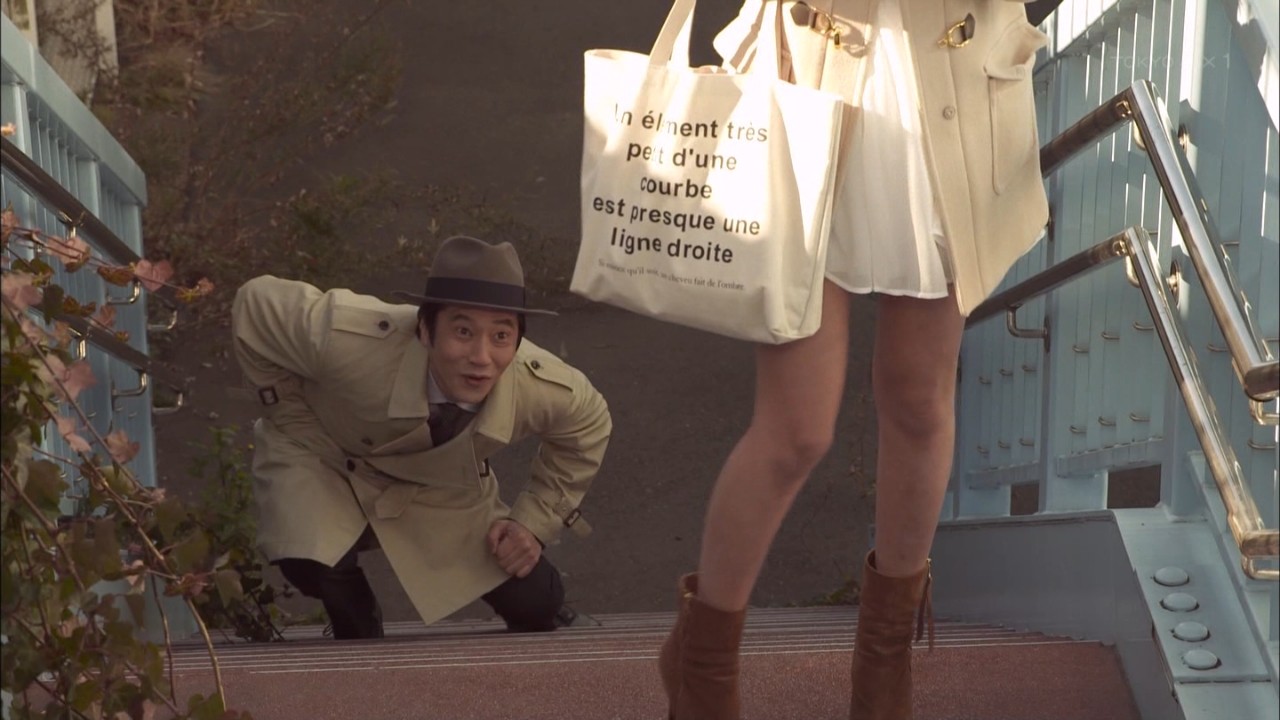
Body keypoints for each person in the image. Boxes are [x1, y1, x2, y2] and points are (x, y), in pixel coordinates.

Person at [658, 1, 1049, 718]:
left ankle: (884, 664)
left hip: (951, 92)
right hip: (808, 86)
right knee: (796, 430)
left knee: (919, 402)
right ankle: (703, 663)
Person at [231, 235, 611, 639]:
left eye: (501, 336)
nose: (481, 357)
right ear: (425, 329)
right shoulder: (348, 338)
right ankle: (356, 627)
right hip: (325, 458)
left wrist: (533, 523)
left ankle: (548, 607)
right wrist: (293, 418)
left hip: (436, 488)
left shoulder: (537, 383)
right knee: (308, 555)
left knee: (535, 602)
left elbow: (589, 422)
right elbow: (255, 305)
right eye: (462, 331)